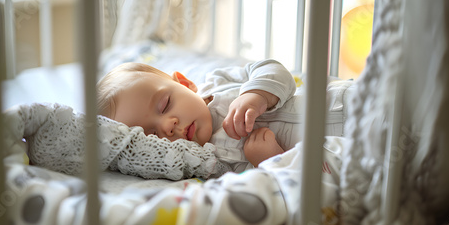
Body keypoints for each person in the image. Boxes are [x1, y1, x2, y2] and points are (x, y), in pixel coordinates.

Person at [97, 59, 351, 171]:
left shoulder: (220, 83)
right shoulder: (213, 163)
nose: (168, 125)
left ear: (185, 84)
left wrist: (257, 94)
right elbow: (265, 190)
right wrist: (268, 161)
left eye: (164, 105)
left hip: (347, 101)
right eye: (152, 135)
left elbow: (274, 70)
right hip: (345, 155)